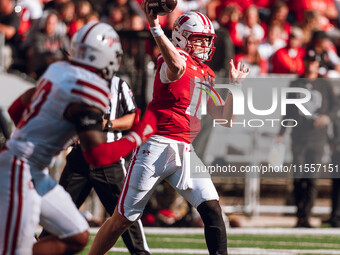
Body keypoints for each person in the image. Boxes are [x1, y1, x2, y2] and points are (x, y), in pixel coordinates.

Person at [89, 3, 250, 255]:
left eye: (207, 40)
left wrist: (236, 88)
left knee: (212, 209)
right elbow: (177, 65)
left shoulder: (205, 72)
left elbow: (225, 118)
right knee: (123, 219)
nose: (205, 46)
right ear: (181, 38)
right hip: (156, 146)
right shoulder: (172, 59)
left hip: (185, 150)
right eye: (199, 39)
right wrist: (154, 27)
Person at [0, 22, 156, 255]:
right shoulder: (90, 88)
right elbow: (98, 156)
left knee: (76, 234)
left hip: (34, 169)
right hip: (19, 169)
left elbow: (16, 109)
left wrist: (52, 132)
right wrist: (137, 136)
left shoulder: (57, 69)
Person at [39, 55, 151, 254]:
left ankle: (141, 252)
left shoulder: (118, 84)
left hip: (108, 159)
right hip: (79, 159)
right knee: (59, 213)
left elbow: (132, 118)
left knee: (124, 215)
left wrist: (107, 124)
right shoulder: (75, 84)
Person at [276, 49, 337, 228]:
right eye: (309, 61)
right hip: (299, 137)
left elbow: (334, 107)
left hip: (318, 138)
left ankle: (307, 214)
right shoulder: (296, 83)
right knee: (298, 177)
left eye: (314, 62)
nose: (311, 65)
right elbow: (287, 111)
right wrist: (281, 132)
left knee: (312, 178)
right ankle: (300, 214)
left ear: (318, 64)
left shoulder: (324, 85)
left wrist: (327, 116)